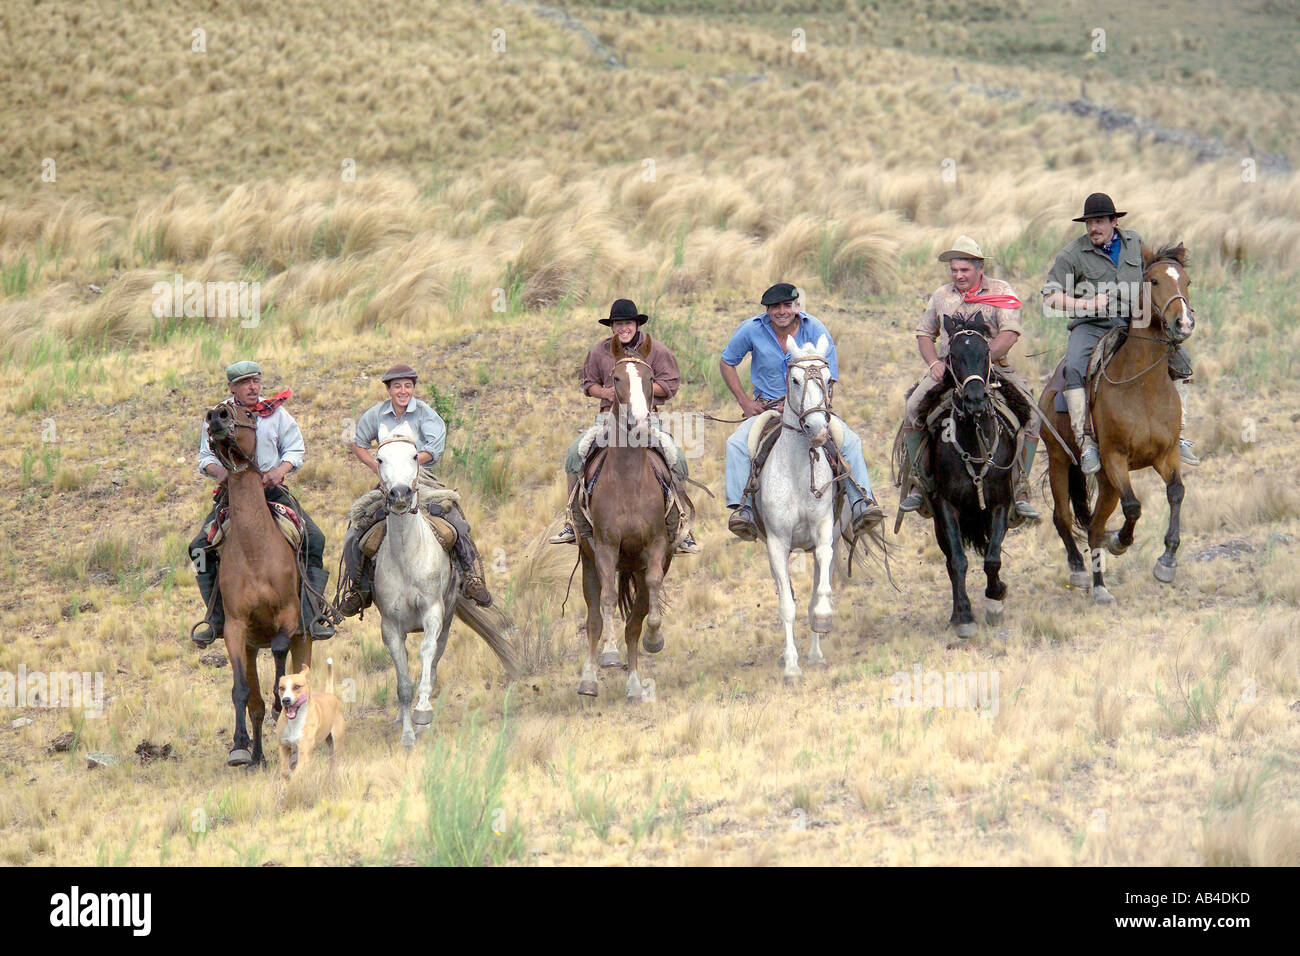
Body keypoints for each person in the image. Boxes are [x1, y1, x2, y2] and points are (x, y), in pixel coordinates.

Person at [1041, 192, 1198, 474]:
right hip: (1091, 325)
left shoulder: (1134, 243)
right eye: (1089, 223)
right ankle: (1086, 441)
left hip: (1133, 320)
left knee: (1182, 363)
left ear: (1114, 221)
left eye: (1099, 221)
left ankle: (1179, 433)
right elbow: (1050, 297)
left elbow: (1156, 273)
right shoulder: (1073, 254)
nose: (1093, 229)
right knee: (1074, 367)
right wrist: (1086, 304)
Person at [721, 282, 885, 540]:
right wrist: (744, 401)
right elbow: (727, 362)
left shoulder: (815, 328)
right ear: (767, 310)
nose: (782, 311)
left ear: (797, 306)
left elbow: (829, 377)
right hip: (770, 408)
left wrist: (814, 407)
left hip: (810, 409)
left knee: (850, 441)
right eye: (775, 307)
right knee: (737, 445)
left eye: (787, 305)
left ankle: (861, 503)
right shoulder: (751, 329)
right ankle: (744, 510)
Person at [189, 360, 334, 647]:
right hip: (235, 495)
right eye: (244, 383)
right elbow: (205, 458)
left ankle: (310, 613)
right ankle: (216, 617)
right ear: (232, 387)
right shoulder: (219, 416)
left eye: (255, 380)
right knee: (198, 549)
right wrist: (225, 475)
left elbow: (295, 448)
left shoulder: (276, 413)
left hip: (271, 492)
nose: (252, 387)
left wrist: (279, 472)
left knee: (314, 539)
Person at [899, 236, 1041, 520]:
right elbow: (925, 333)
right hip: (950, 370)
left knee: (1032, 415)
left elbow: (1010, 332)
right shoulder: (942, 295)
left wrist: (984, 359)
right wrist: (932, 363)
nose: (958, 275)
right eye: (954, 270)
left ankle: (1020, 486)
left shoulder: (1001, 291)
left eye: (964, 270)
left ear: (979, 268)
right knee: (913, 408)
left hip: (993, 367)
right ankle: (919, 481)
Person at [336, 363, 493, 614]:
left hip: (423, 480)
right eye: (397, 386)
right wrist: (379, 468)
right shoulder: (375, 415)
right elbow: (359, 444)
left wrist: (406, 466)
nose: (403, 391)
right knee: (355, 530)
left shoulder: (425, 413)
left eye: (408, 386)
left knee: (456, 520)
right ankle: (359, 588)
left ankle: (471, 577)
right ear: (388, 389)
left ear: (413, 388)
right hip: (388, 483)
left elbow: (433, 448)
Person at [549, 298, 699, 553]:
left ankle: (680, 526)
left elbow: (670, 384)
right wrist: (606, 393)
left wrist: (636, 389)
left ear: (636, 324)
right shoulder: (599, 351)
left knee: (677, 458)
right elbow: (588, 384)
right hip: (609, 418)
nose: (623, 329)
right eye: (618, 324)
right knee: (575, 453)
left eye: (628, 323)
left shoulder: (657, 350)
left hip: (647, 418)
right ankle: (573, 522)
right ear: (612, 327)